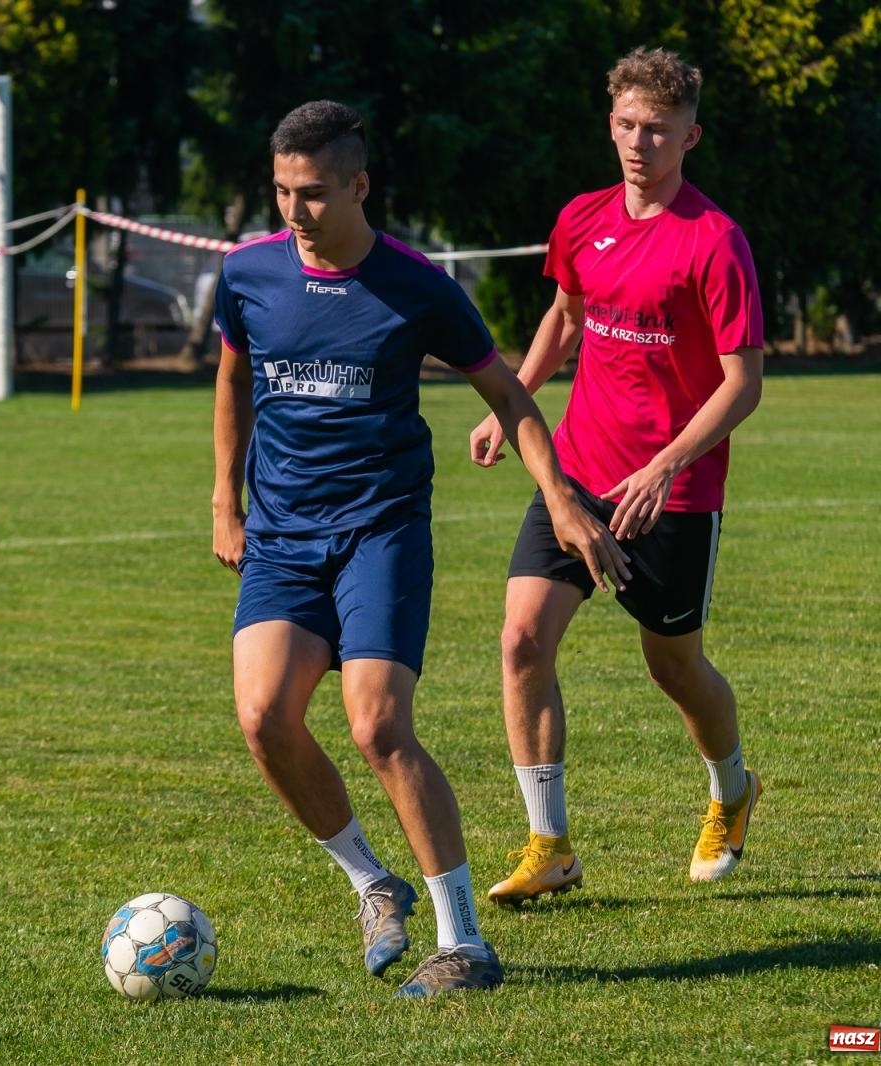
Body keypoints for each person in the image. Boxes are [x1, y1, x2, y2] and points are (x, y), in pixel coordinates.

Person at [212, 100, 628, 996]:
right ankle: (374, 883)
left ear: (359, 185)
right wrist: (223, 499)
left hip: (380, 530)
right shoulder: (247, 273)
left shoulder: (417, 284)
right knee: (262, 719)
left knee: (377, 723)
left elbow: (511, 397)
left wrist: (558, 498)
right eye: (282, 191)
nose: (295, 212)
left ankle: (465, 942)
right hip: (282, 537)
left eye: (314, 193)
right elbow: (236, 374)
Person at [468, 47, 766, 905]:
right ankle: (549, 844)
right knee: (522, 638)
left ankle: (732, 789)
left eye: (659, 131)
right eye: (628, 126)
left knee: (673, 668)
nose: (640, 143)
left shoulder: (715, 242)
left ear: (691, 137)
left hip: (672, 492)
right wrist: (511, 399)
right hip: (579, 472)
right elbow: (565, 318)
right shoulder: (581, 218)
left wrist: (668, 464)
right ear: (611, 123)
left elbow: (743, 382)